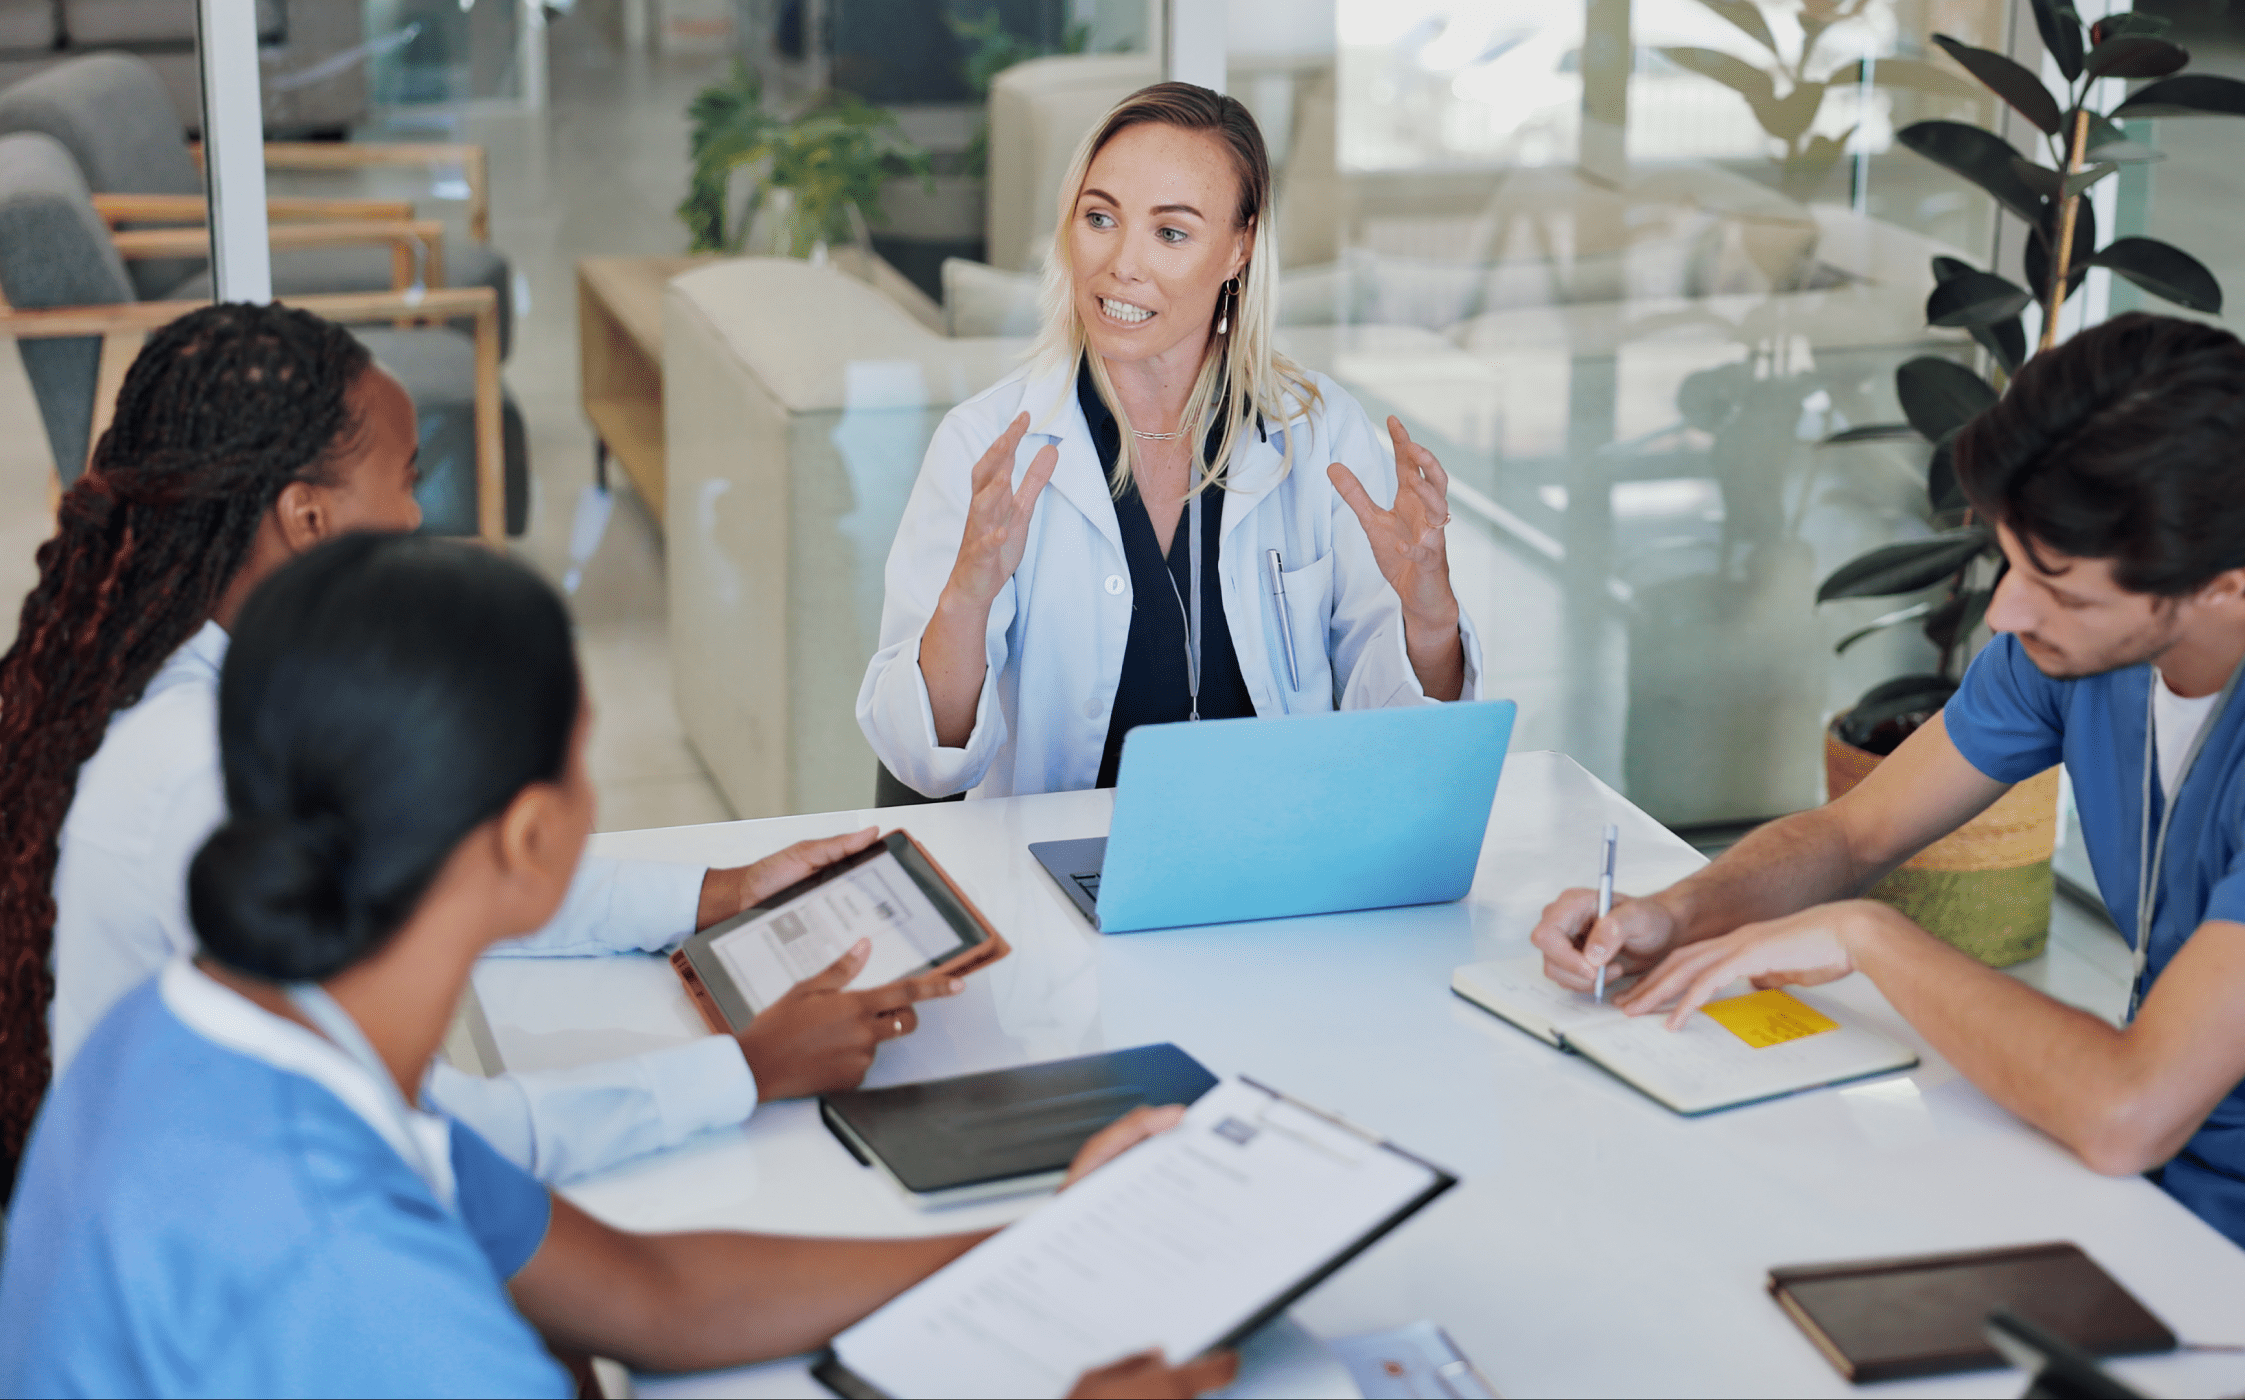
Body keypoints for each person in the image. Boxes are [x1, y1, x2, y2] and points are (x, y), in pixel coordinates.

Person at [0, 534, 1229, 1397]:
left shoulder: (206, 1037)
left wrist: (1053, 1239)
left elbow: (654, 1292)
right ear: (533, 838)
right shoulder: (355, 1265)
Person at [1531, 313, 2245, 1322]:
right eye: (2011, 561)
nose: (2005, 611)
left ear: (2224, 577)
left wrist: (1868, 933)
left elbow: (2125, 1111)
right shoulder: (2088, 644)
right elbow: (1855, 833)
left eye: (2051, 582)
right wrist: (1677, 909)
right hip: (2166, 1166)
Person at [0, 303, 957, 1187]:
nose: (418, 519)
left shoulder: (179, 679)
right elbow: (444, 1141)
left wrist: (722, 893)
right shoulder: (203, 777)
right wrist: (742, 1071)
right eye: (408, 480)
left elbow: (422, 876)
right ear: (308, 518)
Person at [857, 82, 1482, 799]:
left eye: (1172, 232)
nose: (1122, 263)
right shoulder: (987, 445)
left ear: (1238, 250)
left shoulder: (1318, 438)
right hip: (1056, 876)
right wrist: (967, 596)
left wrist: (1429, 614)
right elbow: (921, 761)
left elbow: (1402, 740)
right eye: (1100, 218)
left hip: (1278, 866)